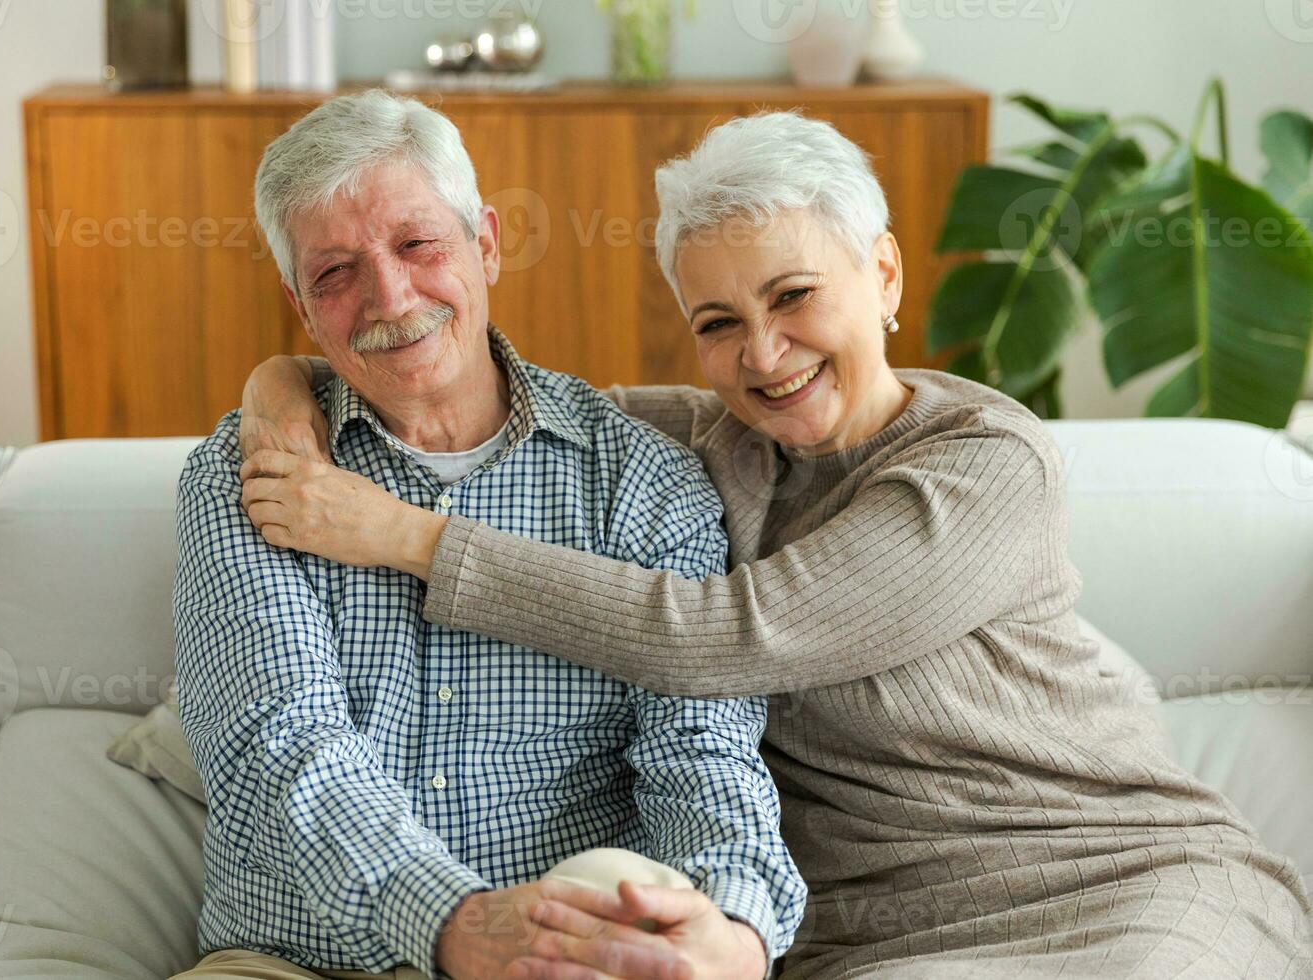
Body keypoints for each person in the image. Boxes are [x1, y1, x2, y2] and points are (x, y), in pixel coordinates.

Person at [236, 109, 1313, 978]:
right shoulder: (708, 441)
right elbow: (469, 381)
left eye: (794, 295)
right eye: (716, 321)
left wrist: (409, 538)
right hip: (867, 934)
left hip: (1108, 881)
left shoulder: (987, 460)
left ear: (883, 276)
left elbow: (735, 633)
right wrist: (283, 384)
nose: (764, 351)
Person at [171, 90, 807, 980]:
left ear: (489, 244)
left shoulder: (642, 484)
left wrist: (732, 930)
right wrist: (456, 926)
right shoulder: (251, 477)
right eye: (336, 273)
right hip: (299, 961)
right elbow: (278, 746)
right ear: (301, 305)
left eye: (418, 244)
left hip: (568, 955)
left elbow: (700, 751)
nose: (390, 297)